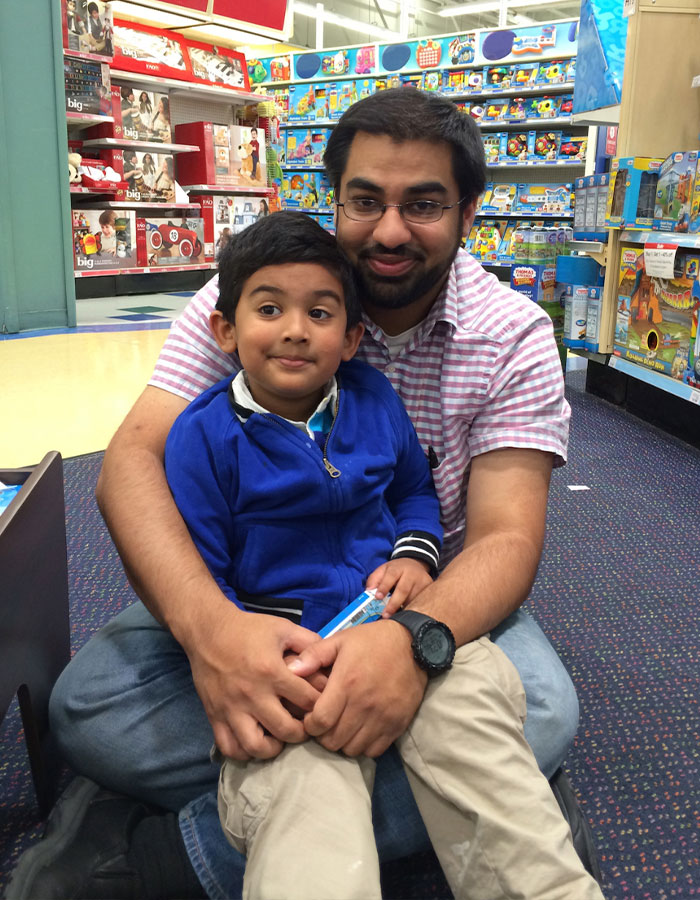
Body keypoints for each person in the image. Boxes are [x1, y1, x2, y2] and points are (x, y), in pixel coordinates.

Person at [7, 88, 589, 899]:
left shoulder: (514, 335)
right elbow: (132, 464)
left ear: (469, 209)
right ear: (336, 199)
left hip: (421, 598)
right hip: (260, 592)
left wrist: (409, 645)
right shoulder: (256, 287)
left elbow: (503, 540)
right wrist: (216, 636)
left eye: (422, 204)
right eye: (365, 200)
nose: (388, 231)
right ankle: (472, 800)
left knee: (546, 712)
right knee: (86, 708)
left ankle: (181, 851)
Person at [168, 210, 600, 899]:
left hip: (409, 615)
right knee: (306, 793)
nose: (293, 330)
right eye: (269, 309)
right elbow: (200, 563)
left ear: (351, 339)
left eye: (319, 313)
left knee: (484, 730)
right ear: (223, 330)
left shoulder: (375, 397)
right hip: (296, 652)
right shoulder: (202, 437)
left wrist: (418, 558)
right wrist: (235, 643)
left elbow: (412, 492)